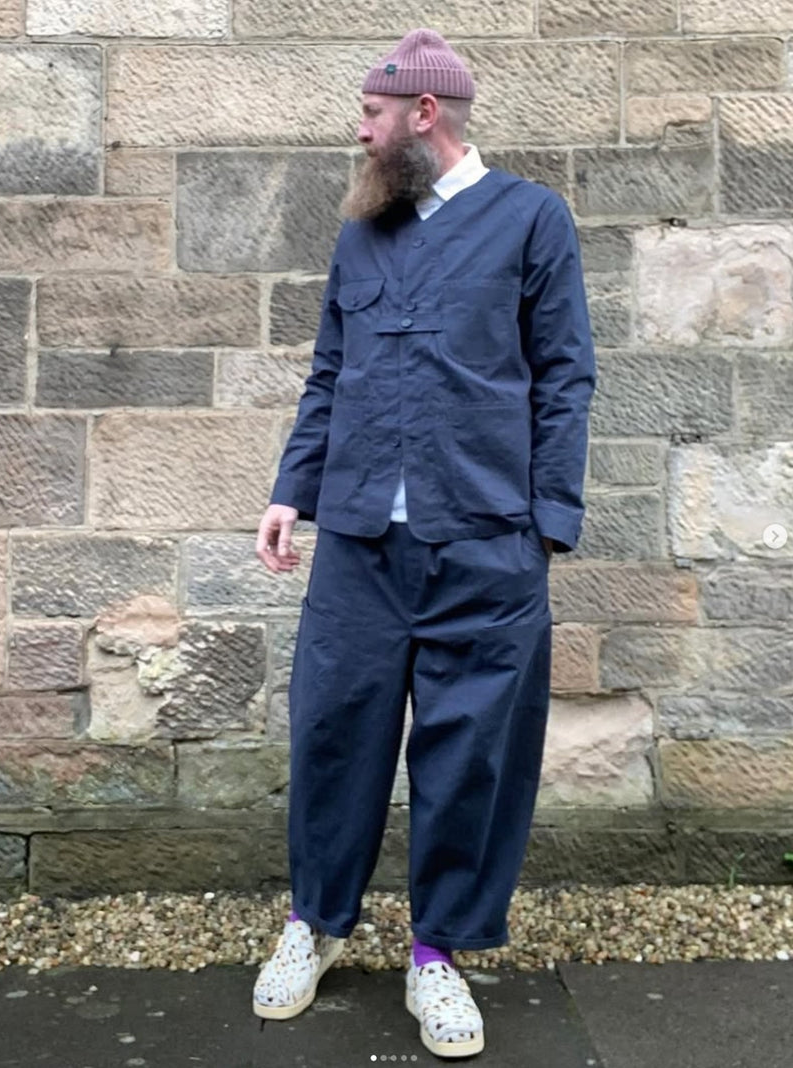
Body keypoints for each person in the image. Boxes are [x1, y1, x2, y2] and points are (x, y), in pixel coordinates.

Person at [252, 27, 595, 1059]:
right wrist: (289, 492)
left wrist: (545, 522)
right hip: (359, 545)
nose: (358, 132)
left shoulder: (531, 221)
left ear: (423, 115)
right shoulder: (364, 232)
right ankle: (314, 922)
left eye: (370, 114)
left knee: (468, 760)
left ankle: (437, 954)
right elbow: (327, 374)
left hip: (484, 548)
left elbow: (564, 375)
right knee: (331, 739)